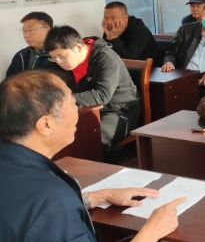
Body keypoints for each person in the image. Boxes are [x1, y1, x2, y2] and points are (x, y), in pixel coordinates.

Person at [0, 71, 184, 242]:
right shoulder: (52, 198)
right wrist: (151, 232)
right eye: (72, 101)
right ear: (46, 124)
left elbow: (24, 216)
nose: (77, 107)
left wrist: (94, 197)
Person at [45, 26, 141, 157]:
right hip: (85, 110)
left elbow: (102, 95)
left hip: (118, 110)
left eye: (61, 57)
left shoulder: (106, 58)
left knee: (92, 140)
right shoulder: (58, 62)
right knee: (54, 137)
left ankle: (105, 167)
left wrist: (62, 101)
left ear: (78, 47)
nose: (58, 62)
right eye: (54, 58)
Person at [101, 1, 162, 66]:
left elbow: (129, 59)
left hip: (149, 69)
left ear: (125, 18)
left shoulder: (140, 30)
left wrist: (114, 38)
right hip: (119, 68)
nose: (109, 22)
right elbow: (105, 54)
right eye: (106, 18)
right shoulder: (110, 28)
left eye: (113, 18)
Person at [6, 11, 52, 78]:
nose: (26, 35)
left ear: (47, 30)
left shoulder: (57, 55)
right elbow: (9, 80)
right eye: (24, 31)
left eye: (30, 30)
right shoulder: (20, 55)